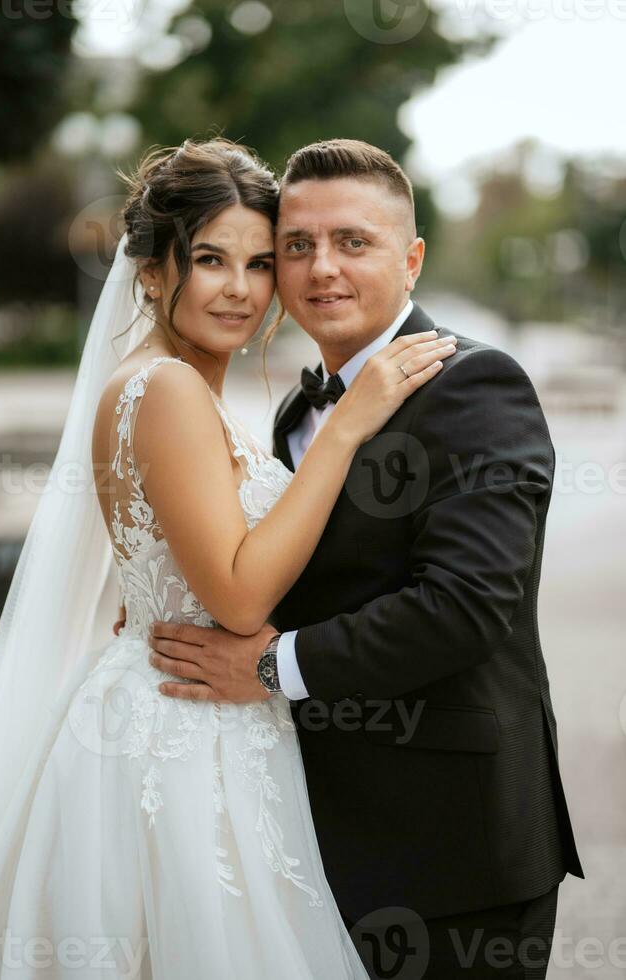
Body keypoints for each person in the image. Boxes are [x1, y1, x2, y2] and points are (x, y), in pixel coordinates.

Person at [0, 138, 456, 979]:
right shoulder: (166, 390)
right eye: (209, 259)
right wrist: (345, 428)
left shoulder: (185, 389)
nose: (240, 288)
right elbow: (235, 599)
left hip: (202, 706)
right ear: (155, 270)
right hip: (180, 735)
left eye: (261, 262)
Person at [147, 139, 585, 979]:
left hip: (455, 847)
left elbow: (465, 606)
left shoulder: (475, 386)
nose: (321, 269)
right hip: (316, 841)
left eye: (354, 242)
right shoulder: (291, 413)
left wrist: (270, 669)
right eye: (298, 246)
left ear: (411, 258)